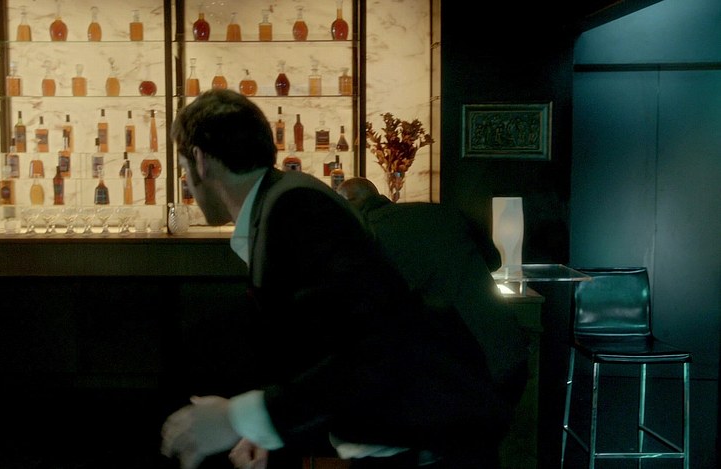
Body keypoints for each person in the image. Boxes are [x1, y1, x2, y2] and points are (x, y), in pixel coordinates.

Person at [161, 89, 510, 469]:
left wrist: (240, 418)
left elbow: (374, 344)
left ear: (200, 160)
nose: (187, 181)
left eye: (184, 167)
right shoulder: (282, 199)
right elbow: (327, 345)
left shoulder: (294, 207)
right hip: (403, 438)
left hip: (426, 442)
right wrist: (267, 427)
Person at [336, 177, 530, 408]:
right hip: (509, 354)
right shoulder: (442, 213)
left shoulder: (368, 238)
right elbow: (494, 261)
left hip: (462, 374)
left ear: (350, 203)